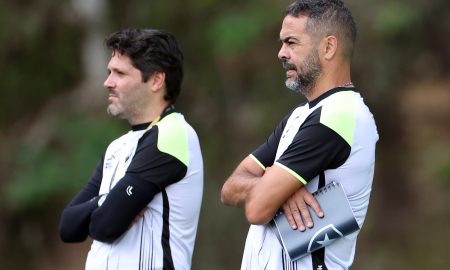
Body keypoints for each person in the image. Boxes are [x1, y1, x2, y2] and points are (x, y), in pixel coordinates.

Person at [220, 0, 378, 269]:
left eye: (291, 43)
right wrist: (278, 190)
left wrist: (271, 191)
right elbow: (229, 188)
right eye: (282, 43)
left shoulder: (340, 115)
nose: (281, 53)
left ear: (328, 47)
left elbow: (257, 208)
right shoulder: (301, 115)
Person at [59, 28, 203, 270]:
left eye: (120, 73)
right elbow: (68, 227)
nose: (107, 82)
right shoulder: (118, 146)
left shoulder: (173, 134)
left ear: (156, 80)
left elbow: (105, 226)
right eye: (109, 72)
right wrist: (105, 201)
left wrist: (101, 211)